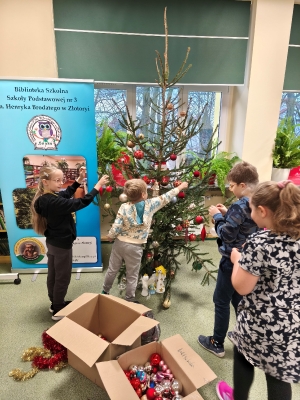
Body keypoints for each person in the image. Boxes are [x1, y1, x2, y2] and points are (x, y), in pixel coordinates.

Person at [216, 180, 300, 400]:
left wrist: (237, 260)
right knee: (278, 374)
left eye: (251, 209)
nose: (249, 212)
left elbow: (242, 287)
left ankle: (239, 397)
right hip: (291, 322)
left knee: (243, 356)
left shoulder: (259, 242)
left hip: (260, 321)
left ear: (262, 211)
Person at [31, 165, 109, 321]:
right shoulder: (53, 202)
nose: (61, 183)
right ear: (46, 182)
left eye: (62, 179)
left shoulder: (45, 198)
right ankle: (58, 309)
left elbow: (65, 195)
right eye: (57, 180)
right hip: (62, 245)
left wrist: (78, 181)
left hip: (54, 242)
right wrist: (97, 186)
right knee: (62, 277)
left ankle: (55, 303)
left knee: (53, 274)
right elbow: (81, 202)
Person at [198, 161, 259, 357]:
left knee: (221, 300)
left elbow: (226, 235)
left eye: (231, 185)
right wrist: (227, 214)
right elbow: (242, 225)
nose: (230, 189)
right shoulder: (259, 202)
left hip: (230, 261)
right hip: (247, 260)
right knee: (238, 300)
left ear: (242, 185)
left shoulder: (239, 206)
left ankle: (217, 342)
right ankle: (245, 339)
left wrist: (217, 217)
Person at [102, 178, 188, 301]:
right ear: (143, 194)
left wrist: (110, 236)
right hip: (135, 248)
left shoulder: (123, 207)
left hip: (119, 244)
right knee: (132, 274)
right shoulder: (151, 204)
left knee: (112, 269)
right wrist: (181, 186)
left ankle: (105, 291)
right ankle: (129, 299)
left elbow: (117, 225)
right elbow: (167, 196)